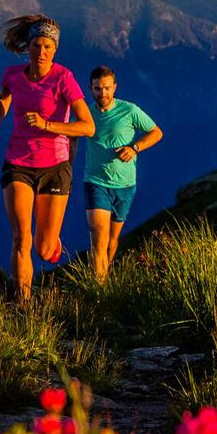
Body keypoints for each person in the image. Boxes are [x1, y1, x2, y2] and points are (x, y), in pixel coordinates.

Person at [0, 14, 94, 301]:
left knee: (44, 249)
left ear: (55, 49)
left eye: (47, 47)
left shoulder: (63, 78)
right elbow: (4, 97)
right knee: (21, 238)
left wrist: (48, 125)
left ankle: (52, 242)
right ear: (28, 47)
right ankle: (22, 304)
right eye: (36, 46)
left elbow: (87, 126)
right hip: (18, 163)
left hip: (55, 167)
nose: (41, 52)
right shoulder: (13, 75)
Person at [80, 66, 163, 281]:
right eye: (98, 89)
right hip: (95, 182)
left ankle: (105, 278)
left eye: (107, 88)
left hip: (125, 185)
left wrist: (134, 148)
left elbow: (156, 133)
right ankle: (98, 287)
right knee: (99, 236)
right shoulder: (85, 114)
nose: (103, 93)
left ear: (115, 87)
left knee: (111, 240)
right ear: (91, 89)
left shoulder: (130, 110)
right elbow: (69, 136)